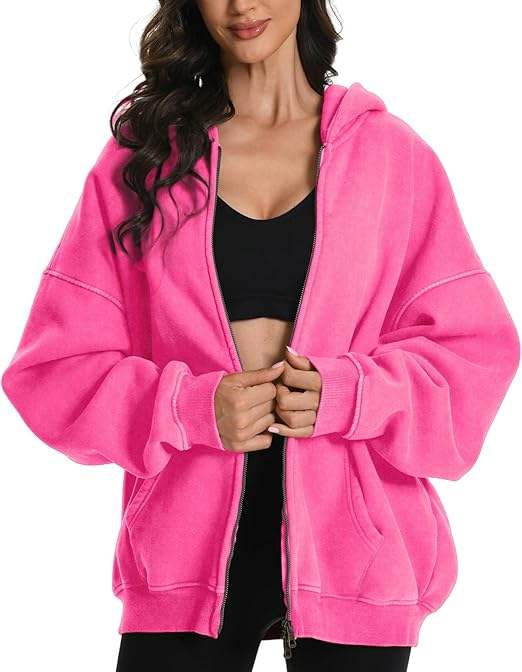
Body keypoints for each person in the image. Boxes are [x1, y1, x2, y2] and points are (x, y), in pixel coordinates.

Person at [2, 1, 519, 671]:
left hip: (358, 554)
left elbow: (473, 352)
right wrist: (188, 408)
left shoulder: (393, 157)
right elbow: (54, 367)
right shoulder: (148, 156)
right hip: (182, 553)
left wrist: (355, 395)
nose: (242, 5)